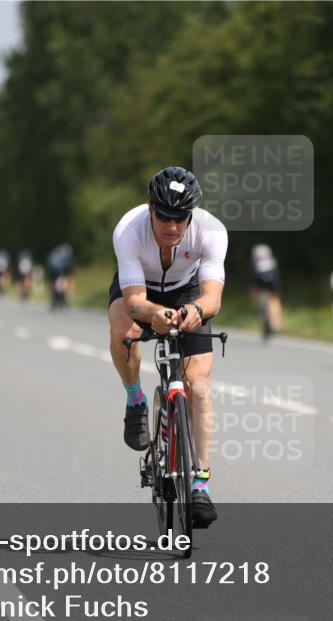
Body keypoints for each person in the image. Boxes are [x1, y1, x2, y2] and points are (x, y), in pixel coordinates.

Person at [108, 166, 228, 527]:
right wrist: (155, 314)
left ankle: (200, 485)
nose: (171, 226)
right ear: (150, 208)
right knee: (123, 330)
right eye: (163, 216)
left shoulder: (211, 232)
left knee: (200, 389)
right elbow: (133, 302)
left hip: (187, 292)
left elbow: (212, 297)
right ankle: (135, 400)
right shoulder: (129, 231)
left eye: (180, 218)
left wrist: (194, 310)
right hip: (140, 291)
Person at [250, 243, 282, 338]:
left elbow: (252, 276)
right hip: (273, 280)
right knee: (275, 300)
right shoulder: (272, 260)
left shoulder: (254, 261)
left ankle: (256, 305)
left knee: (254, 290)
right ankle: (275, 325)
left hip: (259, 279)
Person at [47, 243, 75, 310]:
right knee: (59, 282)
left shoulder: (56, 255)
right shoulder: (63, 257)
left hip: (57, 273)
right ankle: (58, 297)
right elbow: (70, 267)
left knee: (57, 283)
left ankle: (57, 297)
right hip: (57, 273)